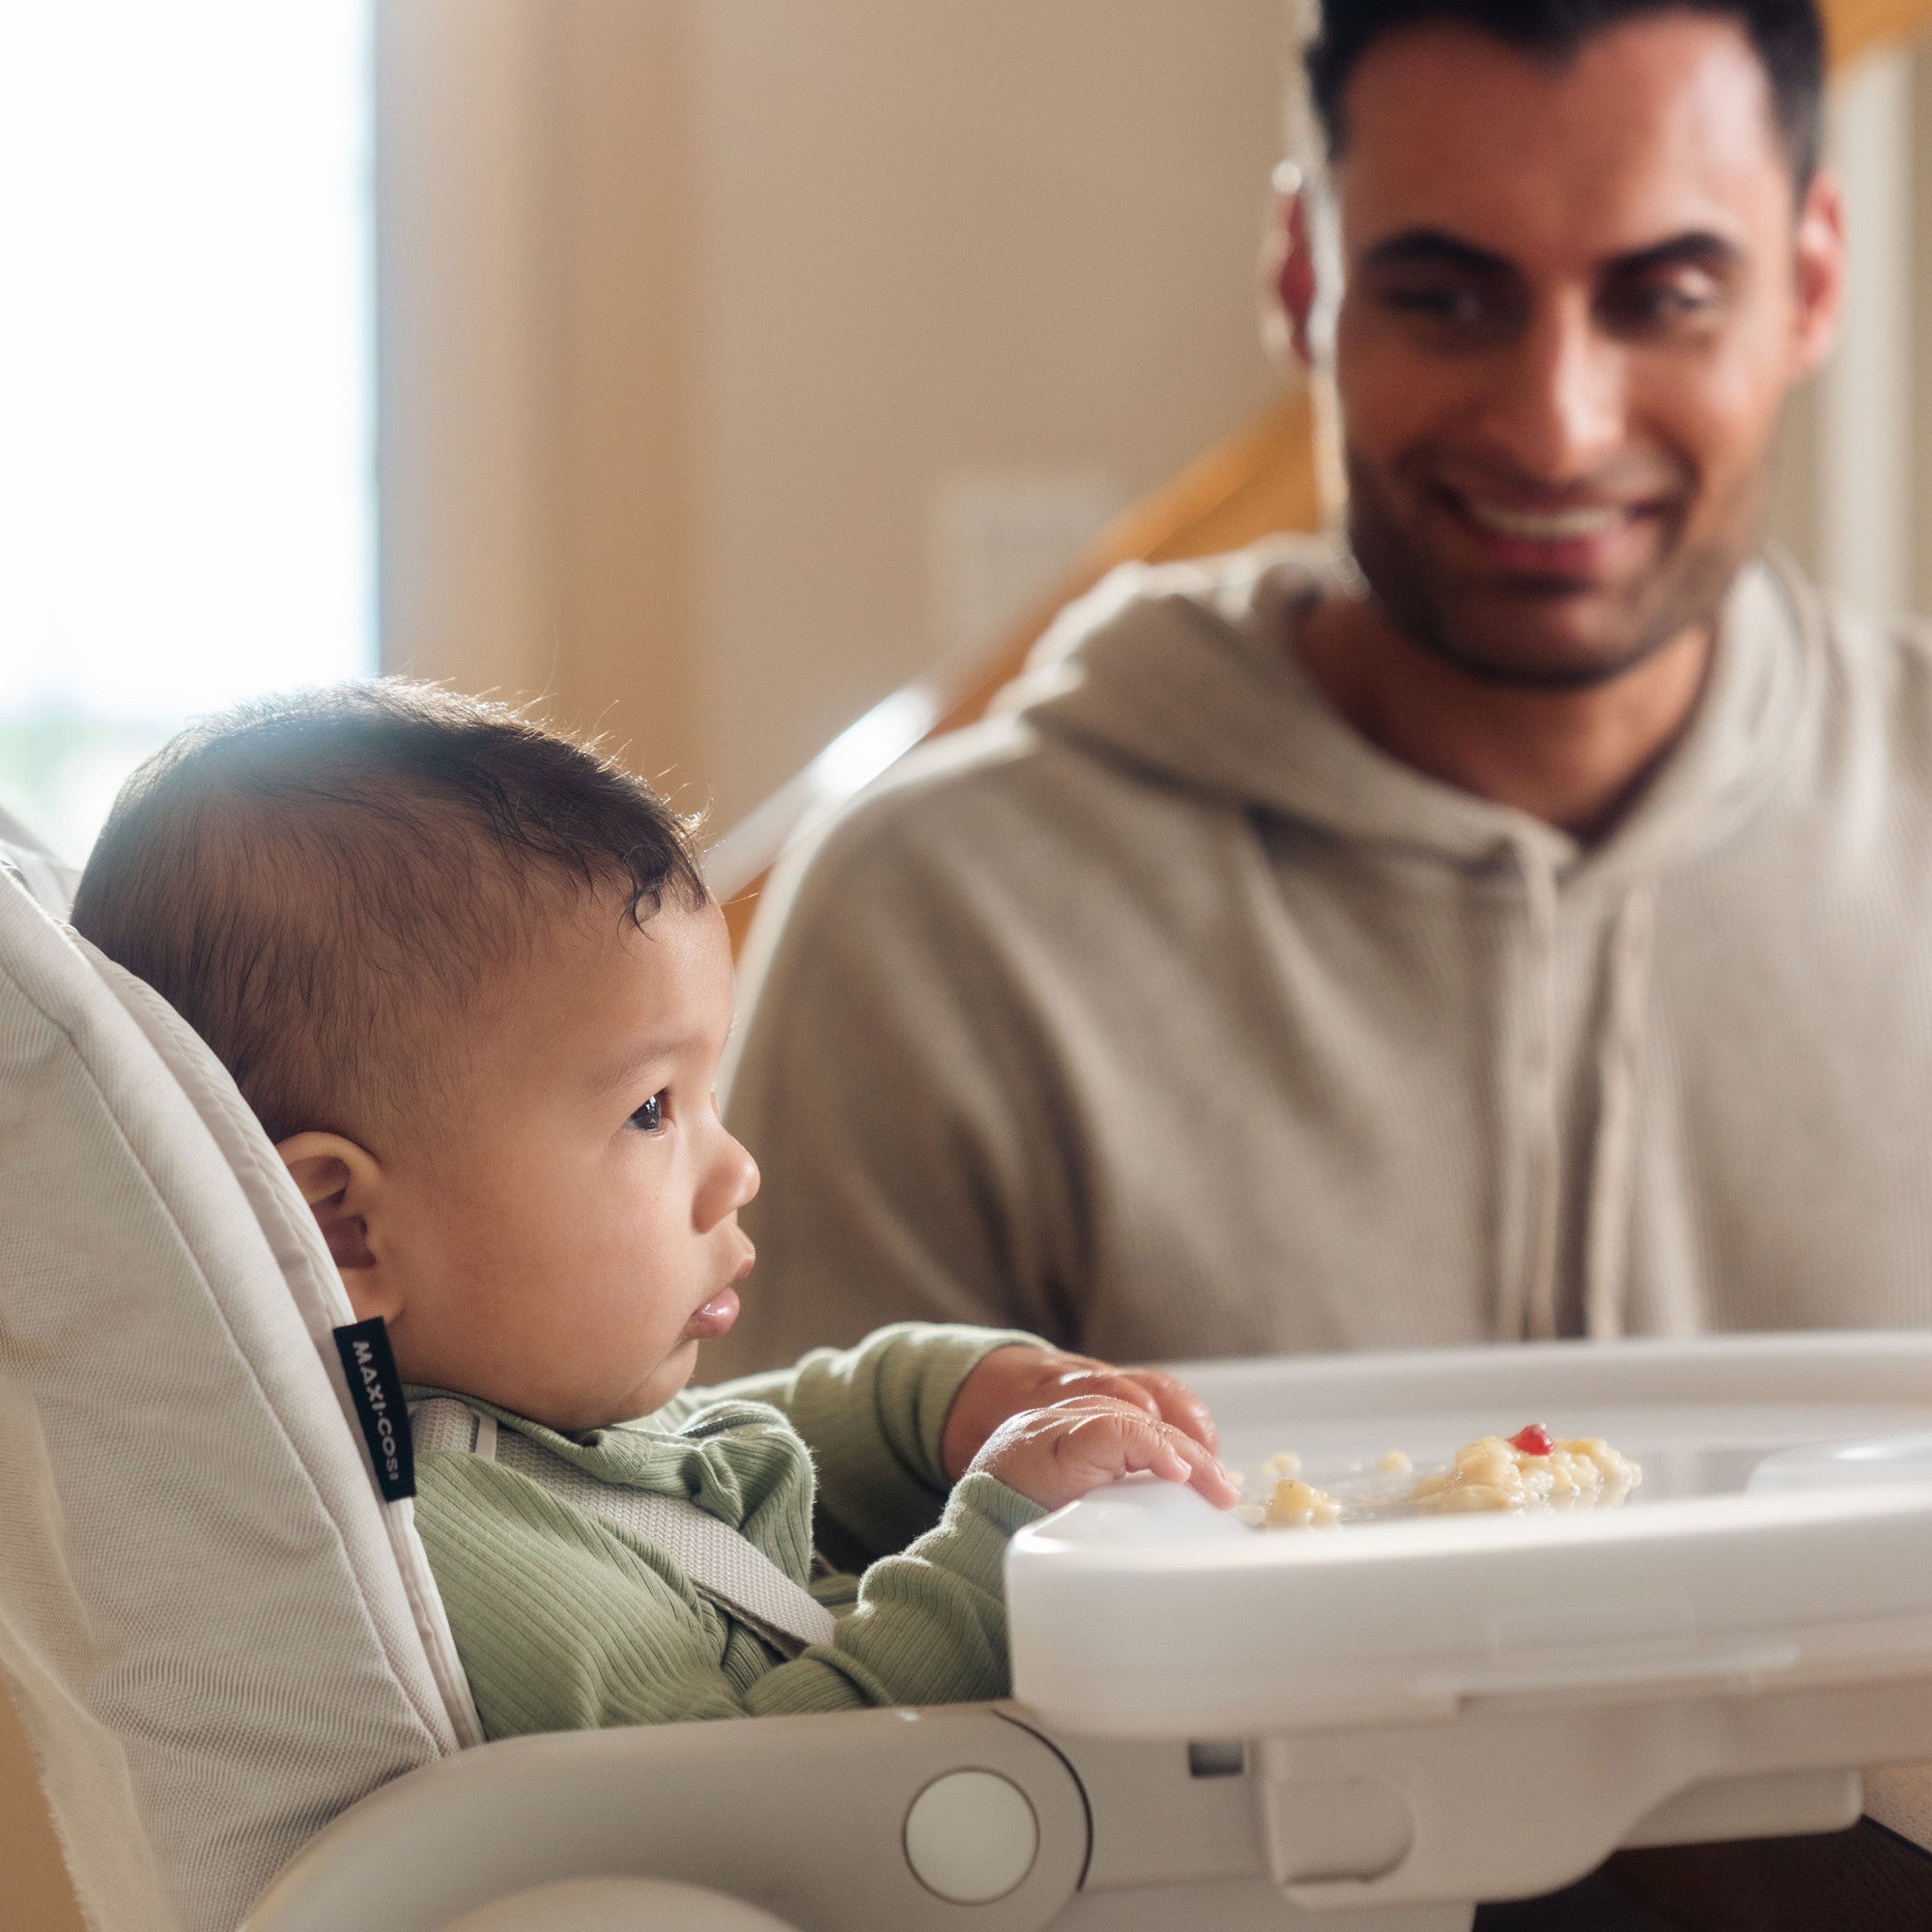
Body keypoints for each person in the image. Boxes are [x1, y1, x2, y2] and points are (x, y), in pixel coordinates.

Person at [715, 0, 1932, 1373]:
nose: (1557, 425)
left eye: (1663, 299)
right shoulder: (937, 921)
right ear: (1304, 279)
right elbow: (783, 1578)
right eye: (1446, 297)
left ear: (1815, 280)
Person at [70, 684, 1234, 1741]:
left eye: (704, 1091)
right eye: (647, 1109)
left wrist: (925, 1406)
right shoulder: (460, 1554)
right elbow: (762, 1788)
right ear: (347, 1230)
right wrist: (994, 1544)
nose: (735, 1169)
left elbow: (699, 1460)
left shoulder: (512, 1426)